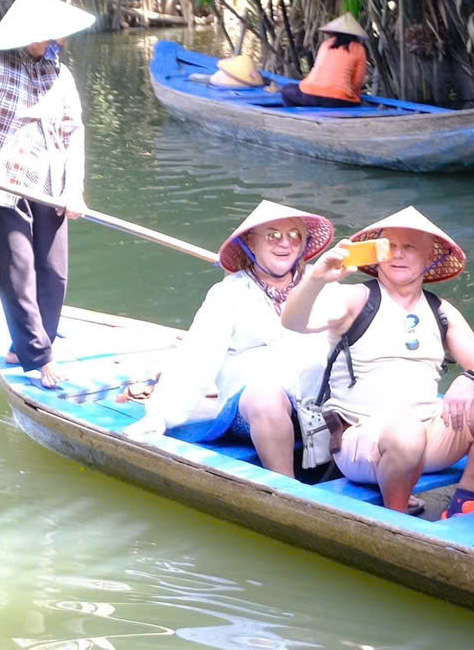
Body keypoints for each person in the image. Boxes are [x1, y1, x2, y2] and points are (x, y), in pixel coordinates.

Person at [281, 206, 474, 517]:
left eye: (409, 247)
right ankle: (399, 516)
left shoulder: (441, 310)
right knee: (406, 434)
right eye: (390, 247)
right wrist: (316, 280)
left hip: (431, 435)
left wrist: (467, 380)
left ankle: (466, 496)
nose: (397, 255)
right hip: (365, 442)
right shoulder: (356, 299)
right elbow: (293, 321)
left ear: (430, 258)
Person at [122, 200, 335, 478]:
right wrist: (159, 415)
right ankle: (287, 489)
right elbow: (197, 357)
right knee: (265, 397)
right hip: (254, 410)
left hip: (315, 404)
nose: (285, 243)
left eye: (294, 235)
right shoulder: (229, 294)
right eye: (273, 235)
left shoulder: (321, 285)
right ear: (252, 243)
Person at [0, 0, 95, 388]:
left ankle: (27, 346)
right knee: (17, 268)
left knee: (54, 272)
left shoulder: (59, 72)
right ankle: (38, 358)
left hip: (50, 185)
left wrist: (75, 188)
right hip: (1, 184)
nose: (63, 40)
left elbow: (73, 132)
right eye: (56, 32)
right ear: (36, 32)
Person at [280, 13, 369, 108]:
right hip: (336, 99)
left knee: (286, 89)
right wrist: (352, 94)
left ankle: (296, 115)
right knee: (359, 101)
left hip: (310, 94)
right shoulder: (359, 49)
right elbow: (357, 81)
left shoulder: (326, 44)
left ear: (335, 33)